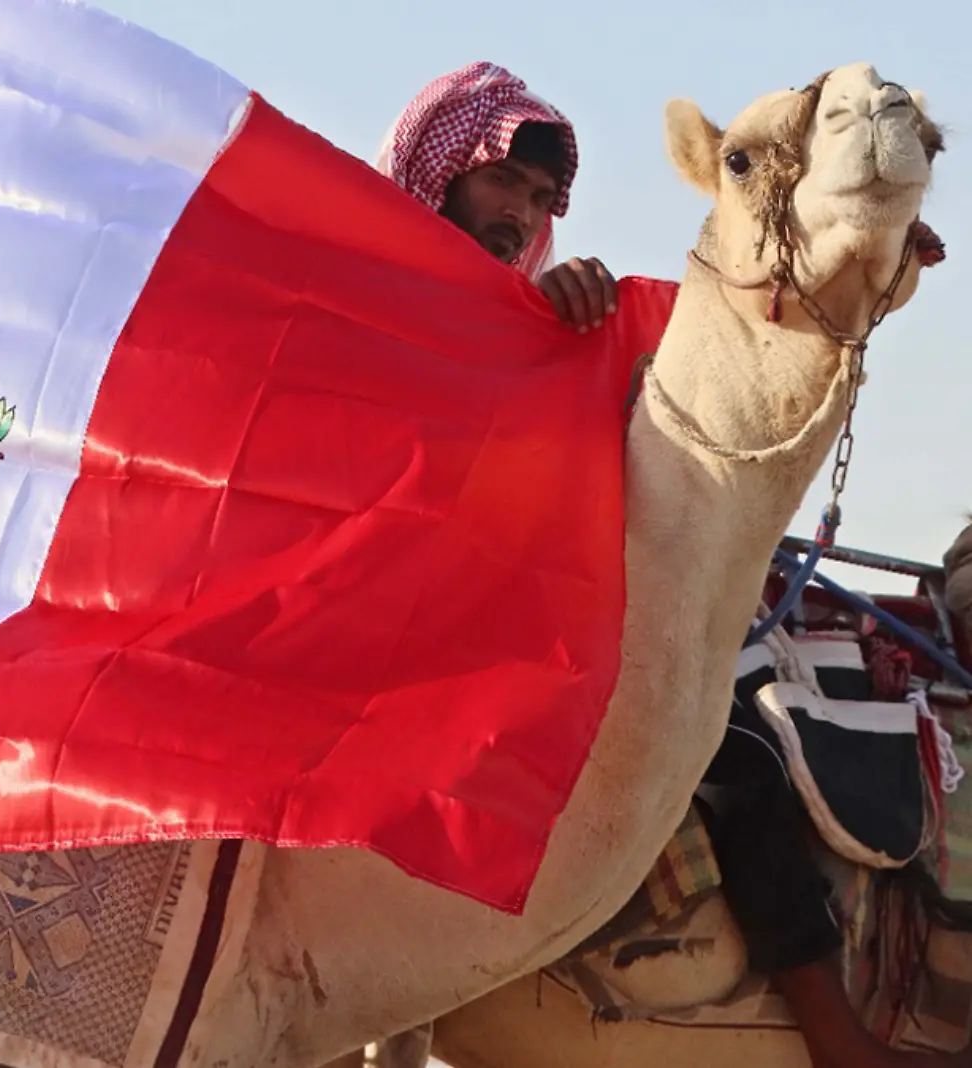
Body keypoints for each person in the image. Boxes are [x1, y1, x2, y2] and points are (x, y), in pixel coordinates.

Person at [381, 61, 967, 1068]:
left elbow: (675, 421)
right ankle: (832, 1029)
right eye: (497, 184)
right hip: (415, 634)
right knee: (727, 761)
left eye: (533, 196)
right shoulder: (373, 310)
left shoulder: (552, 322)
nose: (516, 212)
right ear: (438, 176)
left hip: (551, 624)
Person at [375, 60, 620, 332]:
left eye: (540, 199)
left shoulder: (521, 338)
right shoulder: (350, 295)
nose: (522, 215)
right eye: (502, 179)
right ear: (440, 175)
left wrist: (553, 314)